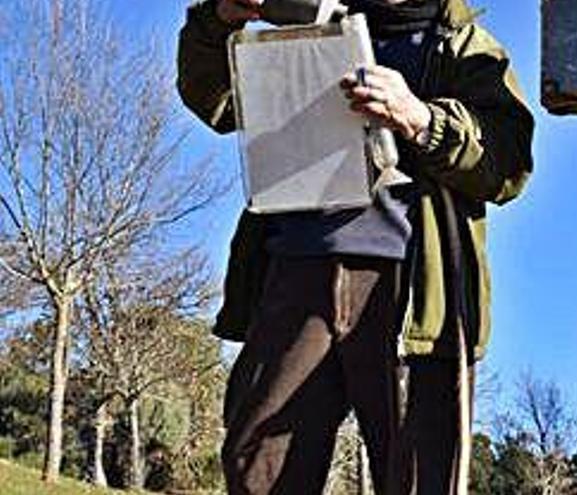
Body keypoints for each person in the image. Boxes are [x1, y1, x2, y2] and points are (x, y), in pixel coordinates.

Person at [177, 0, 534, 493]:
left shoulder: (468, 46)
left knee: (419, 476)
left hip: (413, 297)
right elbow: (215, 100)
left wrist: (421, 119)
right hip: (294, 269)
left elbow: (509, 161)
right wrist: (219, 18)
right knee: (258, 468)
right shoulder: (310, 21)